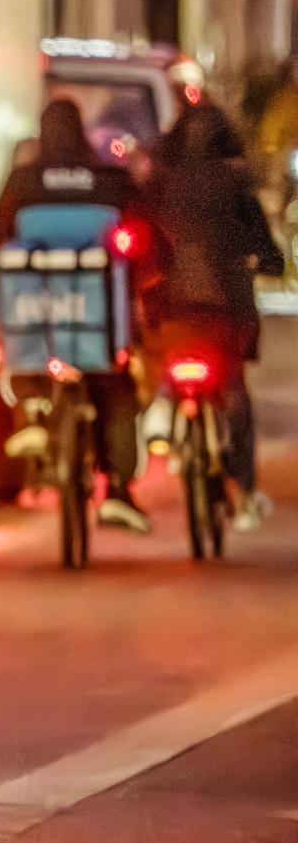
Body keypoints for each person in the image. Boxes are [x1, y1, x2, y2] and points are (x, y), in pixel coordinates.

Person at [0, 98, 149, 533]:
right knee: (117, 391)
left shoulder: (23, 181)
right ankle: (117, 491)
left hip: (37, 323)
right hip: (99, 326)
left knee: (23, 361)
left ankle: (34, 411)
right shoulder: (111, 181)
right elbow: (145, 242)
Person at [139, 103, 286, 530]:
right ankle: (245, 493)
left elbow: (141, 239)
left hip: (171, 313)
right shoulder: (235, 184)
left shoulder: (160, 185)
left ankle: (162, 407)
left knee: (165, 358)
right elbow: (267, 250)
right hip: (226, 314)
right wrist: (266, 263)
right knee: (234, 391)